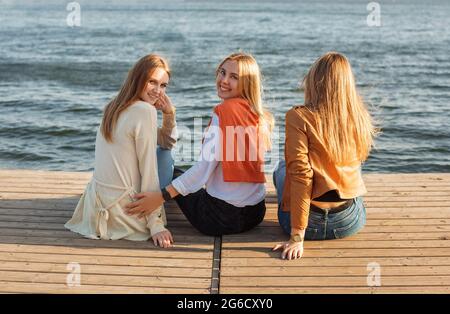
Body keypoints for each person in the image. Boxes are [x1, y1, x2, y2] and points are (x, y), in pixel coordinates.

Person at [125, 52, 274, 238]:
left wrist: (160, 197)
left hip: (218, 219)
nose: (224, 80)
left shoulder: (223, 112)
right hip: (255, 213)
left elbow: (202, 170)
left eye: (234, 77)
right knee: (188, 179)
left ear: (247, 83)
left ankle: (149, 208)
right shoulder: (259, 115)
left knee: (173, 171)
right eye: (222, 72)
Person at [272, 52, 378, 260]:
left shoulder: (298, 116)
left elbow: (302, 176)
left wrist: (297, 237)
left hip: (307, 225)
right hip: (348, 221)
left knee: (282, 168)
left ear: (313, 80)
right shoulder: (358, 116)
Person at [65, 54, 177, 248]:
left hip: (99, 205)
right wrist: (156, 224)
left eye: (163, 85)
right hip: (127, 210)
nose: (158, 91)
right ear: (138, 78)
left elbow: (165, 140)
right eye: (152, 82)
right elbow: (150, 168)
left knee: (163, 152)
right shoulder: (145, 111)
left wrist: (169, 113)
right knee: (166, 157)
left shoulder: (114, 106)